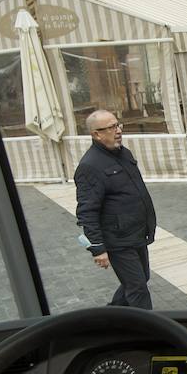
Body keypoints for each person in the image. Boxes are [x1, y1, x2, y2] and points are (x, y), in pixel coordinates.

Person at [74, 109, 156, 309]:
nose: (118, 130)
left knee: (141, 278)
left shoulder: (123, 153)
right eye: (111, 127)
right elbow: (87, 211)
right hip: (117, 239)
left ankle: (111, 313)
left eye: (118, 125)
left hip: (136, 231)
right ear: (96, 134)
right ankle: (148, 331)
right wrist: (97, 248)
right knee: (138, 289)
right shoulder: (89, 166)